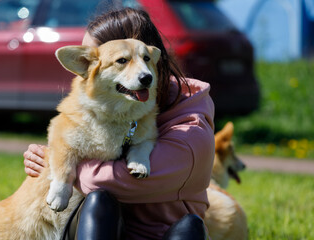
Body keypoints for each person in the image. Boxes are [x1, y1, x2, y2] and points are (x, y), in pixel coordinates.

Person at [23, 7, 215, 240]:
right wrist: (51, 158)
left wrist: (61, 166)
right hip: (107, 229)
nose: (86, 74)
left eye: (142, 58)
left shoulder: (192, 132)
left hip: (162, 234)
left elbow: (109, 181)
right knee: (99, 203)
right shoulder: (104, 112)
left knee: (189, 228)